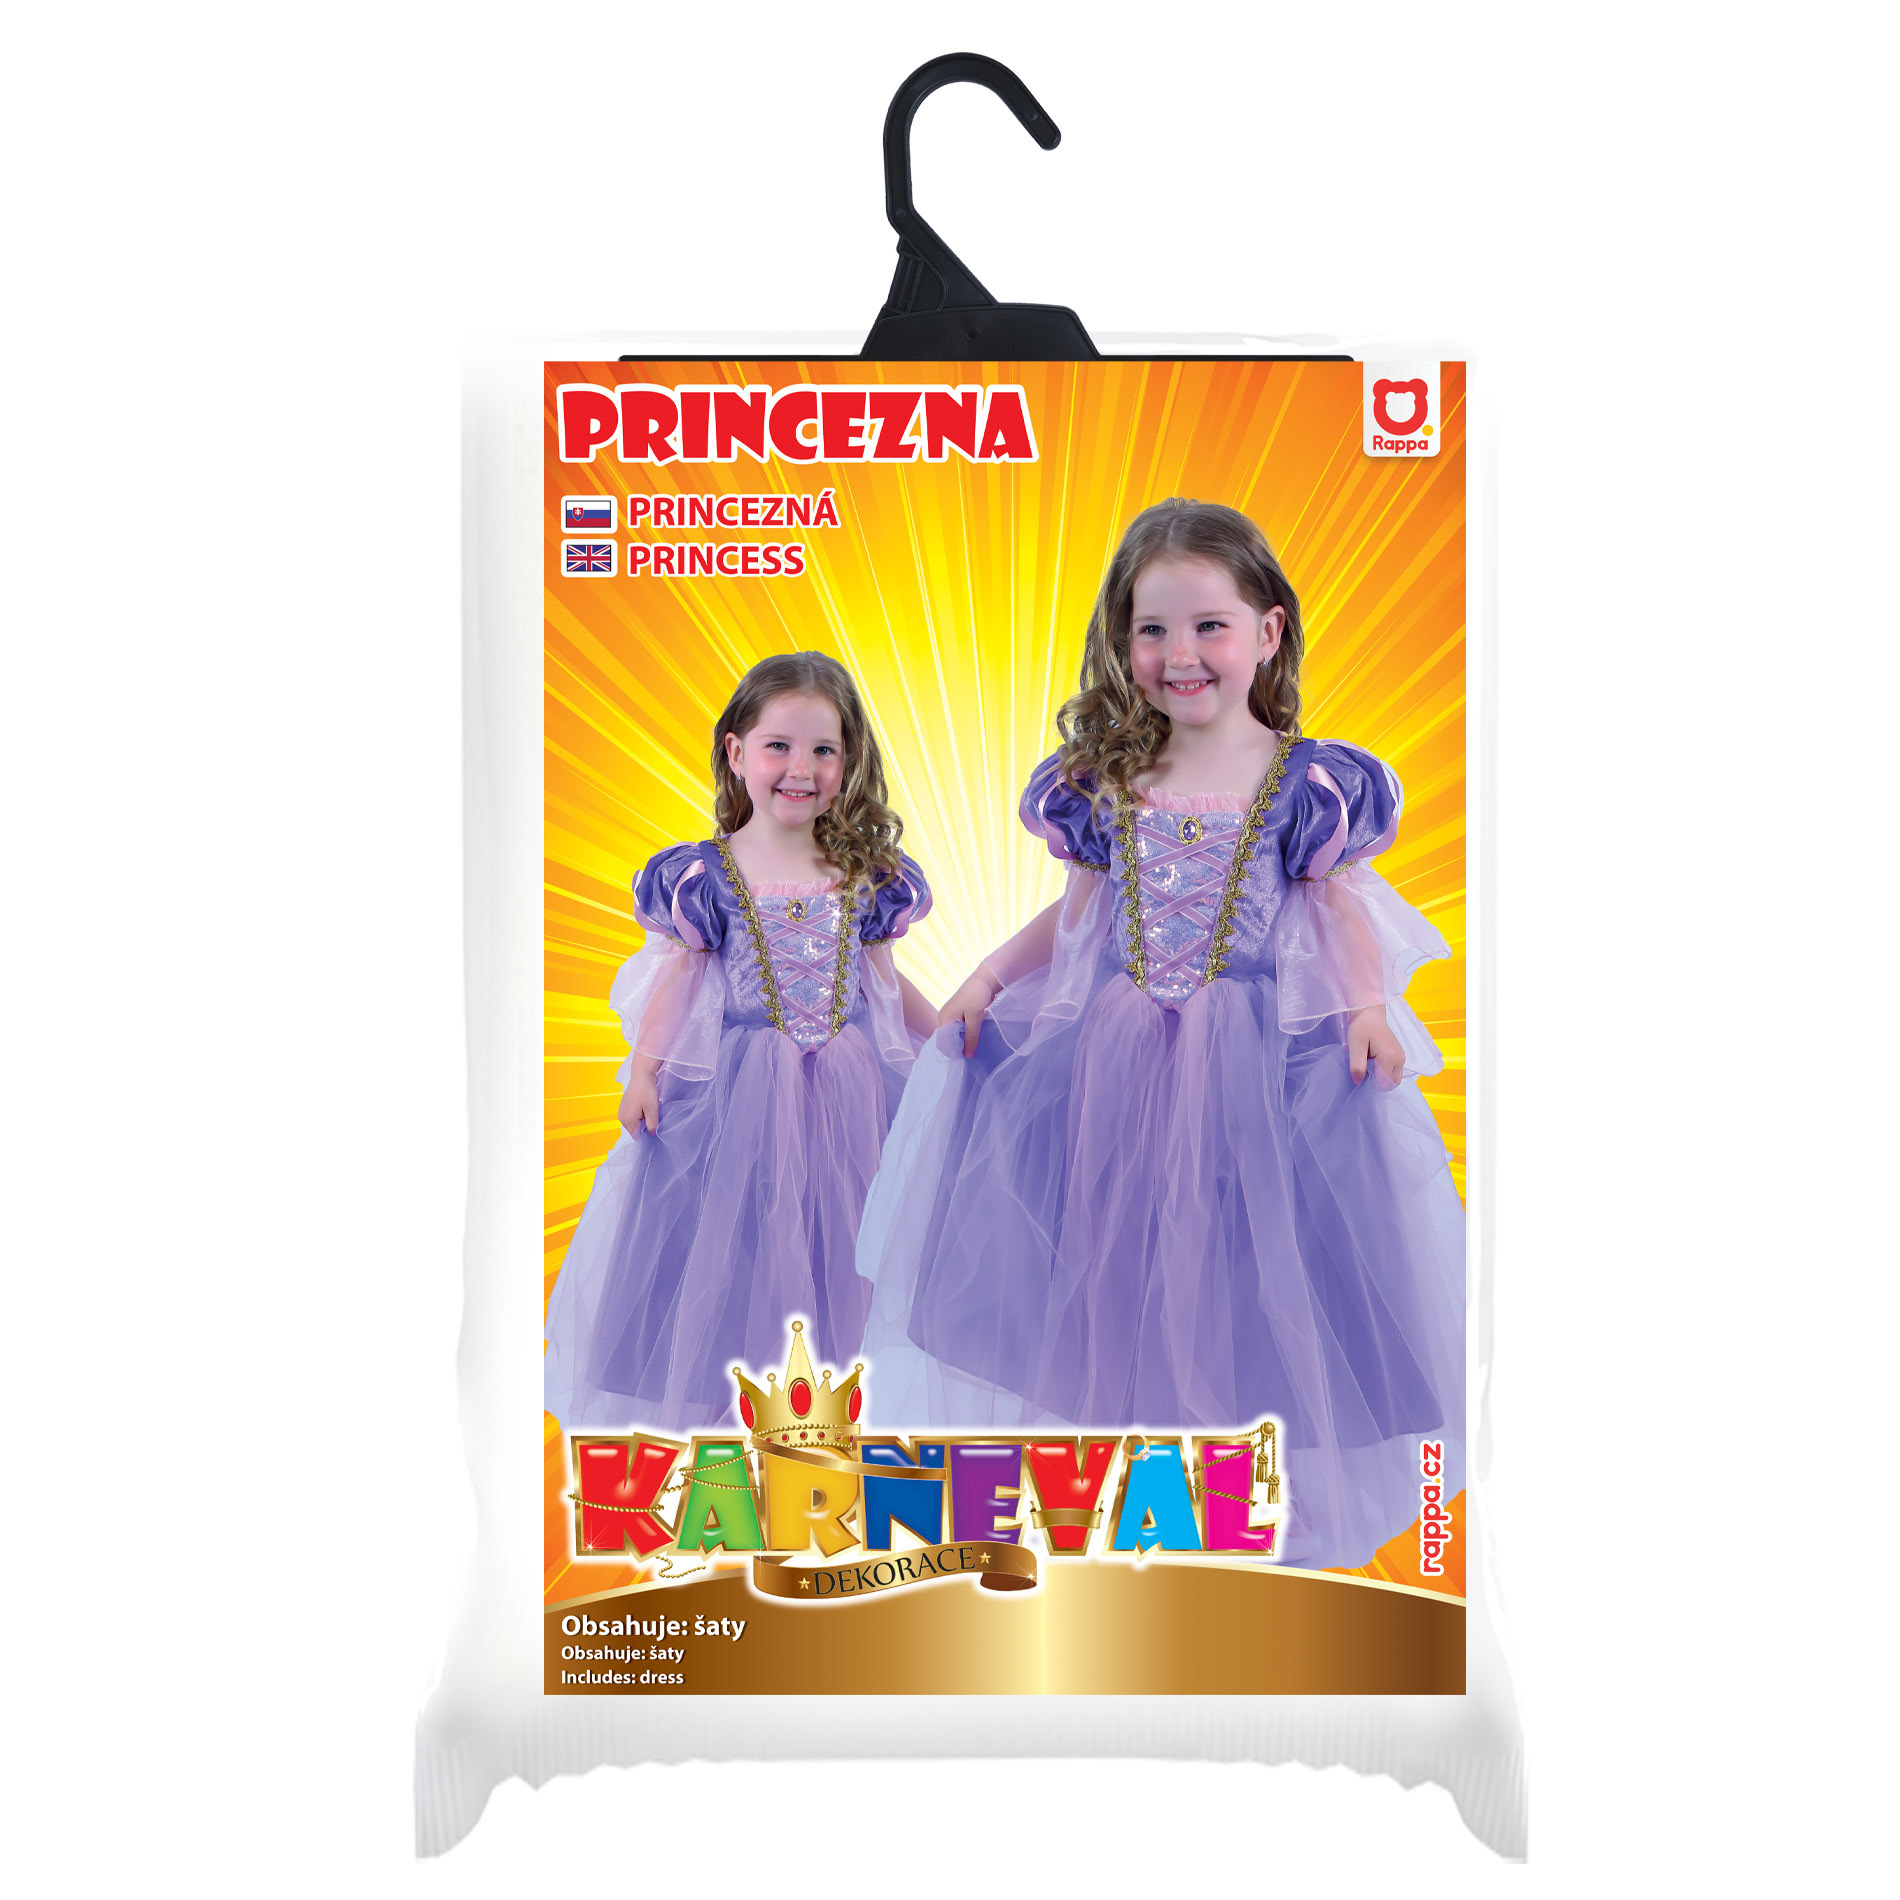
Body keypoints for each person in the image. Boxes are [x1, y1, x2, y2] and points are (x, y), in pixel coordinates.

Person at [857, 501, 1465, 1569]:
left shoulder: (1306, 782)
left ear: (1267, 632)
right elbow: (1078, 915)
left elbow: (1335, 909)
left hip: (1255, 1066)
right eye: (1152, 630)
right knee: (1115, 1261)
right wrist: (988, 976)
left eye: (1208, 627)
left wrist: (1366, 1008)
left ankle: (1254, 1482)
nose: (1180, 655)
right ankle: (1130, 1478)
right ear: (1122, 640)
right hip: (1115, 1062)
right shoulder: (1109, 783)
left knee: (1250, 1262)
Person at [545, 652, 936, 1432]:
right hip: (738, 1096)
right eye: (778, 746)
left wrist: (949, 1039)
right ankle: (735, 1422)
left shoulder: (866, 875)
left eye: (824, 750)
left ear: (849, 760)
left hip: (852, 1098)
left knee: (846, 1245)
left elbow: (887, 988)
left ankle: (837, 1417)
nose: (801, 769)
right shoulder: (708, 875)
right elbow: (681, 980)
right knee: (735, 1243)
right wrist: (645, 1071)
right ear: (736, 751)